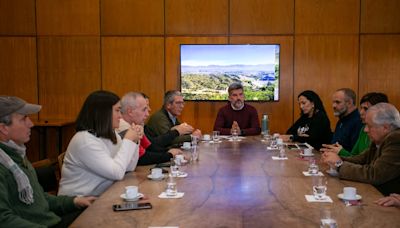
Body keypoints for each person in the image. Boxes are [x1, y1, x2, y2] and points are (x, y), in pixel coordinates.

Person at [0, 96, 96, 227]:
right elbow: (3, 220)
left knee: (101, 213)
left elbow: (39, 199)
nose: (31, 124)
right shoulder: (4, 164)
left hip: (52, 221)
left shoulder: (17, 155)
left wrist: (74, 201)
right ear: (3, 128)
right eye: (24, 119)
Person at [58, 90, 142, 197]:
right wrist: (129, 140)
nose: (120, 116)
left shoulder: (111, 134)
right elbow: (117, 173)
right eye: (117, 111)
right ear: (103, 113)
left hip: (101, 197)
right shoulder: (85, 140)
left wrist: (135, 141)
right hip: (77, 204)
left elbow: (129, 167)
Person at [321, 103, 400, 196]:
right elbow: (360, 159)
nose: (365, 130)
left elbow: (374, 175)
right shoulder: (381, 139)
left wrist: (339, 165)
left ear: (385, 128)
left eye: (369, 126)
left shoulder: (396, 139)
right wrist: (334, 159)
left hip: (386, 198)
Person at [118, 92, 182, 165]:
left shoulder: (135, 126)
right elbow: (141, 158)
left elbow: (149, 147)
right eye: (144, 110)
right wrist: (169, 155)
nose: (147, 114)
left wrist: (169, 151)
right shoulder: (123, 128)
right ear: (130, 112)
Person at [321, 92, 389, 156]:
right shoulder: (363, 129)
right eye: (361, 108)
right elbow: (355, 156)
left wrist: (341, 152)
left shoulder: (385, 134)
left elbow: (367, 163)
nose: (361, 112)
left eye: (366, 109)